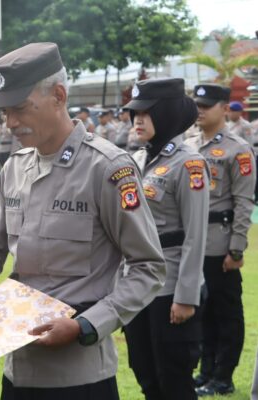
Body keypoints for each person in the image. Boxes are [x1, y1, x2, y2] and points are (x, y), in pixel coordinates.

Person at [0, 42, 166, 400]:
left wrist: (87, 325)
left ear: (58, 96)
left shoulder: (107, 168)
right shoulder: (15, 168)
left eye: (20, 108)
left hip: (79, 374)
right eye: (4, 112)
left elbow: (148, 266)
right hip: (18, 369)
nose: (11, 122)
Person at [122, 78, 208, 400]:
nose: (137, 119)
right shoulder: (139, 159)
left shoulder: (189, 163)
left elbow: (196, 235)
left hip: (171, 288)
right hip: (137, 287)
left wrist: (186, 296)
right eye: (135, 113)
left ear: (168, 112)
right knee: (145, 373)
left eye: (146, 112)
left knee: (174, 380)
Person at [185, 84, 256, 397]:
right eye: (197, 104)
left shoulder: (237, 149)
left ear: (225, 109)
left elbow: (244, 203)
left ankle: (223, 376)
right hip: (192, 243)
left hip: (220, 243)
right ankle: (206, 371)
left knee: (226, 313)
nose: (200, 110)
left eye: (208, 105)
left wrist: (237, 247)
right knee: (201, 311)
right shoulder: (188, 144)